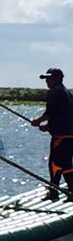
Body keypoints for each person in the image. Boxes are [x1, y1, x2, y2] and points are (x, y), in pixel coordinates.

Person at [30, 67, 73, 200]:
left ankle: (68, 190)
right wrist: (48, 126)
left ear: (58, 78)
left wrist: (37, 121)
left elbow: (49, 113)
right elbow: (61, 115)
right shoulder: (67, 93)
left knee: (58, 164)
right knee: (60, 163)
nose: (47, 81)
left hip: (61, 137)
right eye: (46, 79)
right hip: (69, 135)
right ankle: (54, 192)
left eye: (50, 78)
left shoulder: (54, 92)